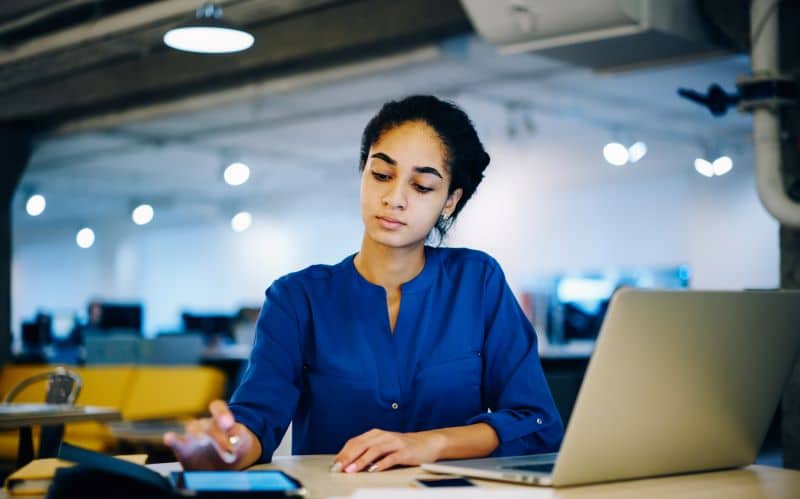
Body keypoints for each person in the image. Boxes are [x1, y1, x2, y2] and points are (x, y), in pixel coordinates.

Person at [164, 95, 564, 472]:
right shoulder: (296, 299)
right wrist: (228, 447)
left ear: (450, 200)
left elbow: (536, 422)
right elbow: (257, 420)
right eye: (381, 174)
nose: (394, 198)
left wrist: (431, 443)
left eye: (422, 186)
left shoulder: (477, 283)